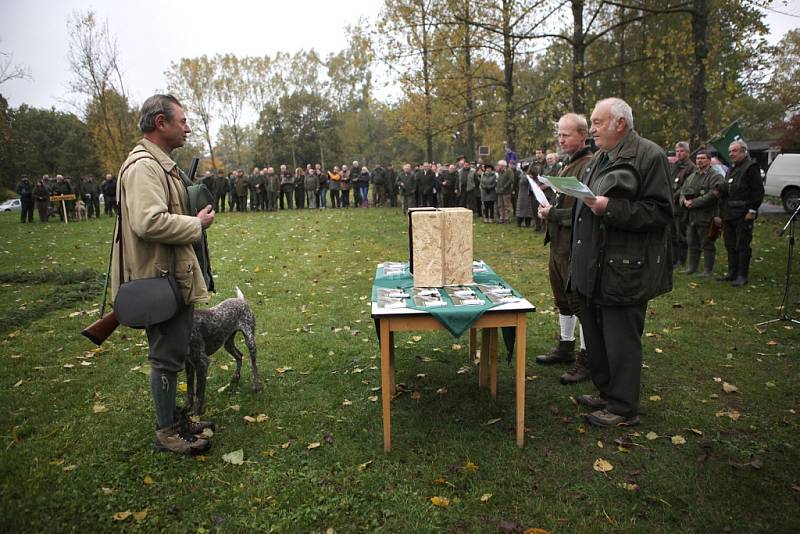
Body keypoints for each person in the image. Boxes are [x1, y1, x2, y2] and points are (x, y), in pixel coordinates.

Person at [111, 94, 215, 455]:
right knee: (166, 357)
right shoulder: (144, 166)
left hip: (171, 275)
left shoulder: (160, 164)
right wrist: (196, 224)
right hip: (159, 278)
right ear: (161, 123)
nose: (188, 127)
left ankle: (175, 417)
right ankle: (167, 432)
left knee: (174, 351)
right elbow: (148, 222)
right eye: (182, 121)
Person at [570, 97, 672, 427]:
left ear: (620, 124)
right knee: (596, 332)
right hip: (593, 265)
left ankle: (623, 407)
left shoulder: (649, 155)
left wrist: (609, 208)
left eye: (598, 123)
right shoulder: (600, 157)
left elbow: (660, 212)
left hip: (624, 268)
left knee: (621, 338)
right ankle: (605, 390)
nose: (592, 129)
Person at [536, 113, 593, 384]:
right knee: (562, 298)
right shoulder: (566, 164)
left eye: (566, 134)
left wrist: (553, 215)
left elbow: (585, 213)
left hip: (574, 245)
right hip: (558, 244)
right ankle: (565, 347)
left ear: (583, 135)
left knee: (579, 301)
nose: (561, 139)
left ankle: (586, 358)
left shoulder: (588, 165)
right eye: (559, 134)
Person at [718, 140, 764, 286]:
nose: (731, 154)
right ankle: (732, 272)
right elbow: (727, 190)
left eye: (735, 151)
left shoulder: (751, 167)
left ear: (744, 151)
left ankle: (742, 275)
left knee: (742, 245)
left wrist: (752, 210)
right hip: (729, 213)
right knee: (730, 244)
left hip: (743, 213)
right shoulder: (732, 168)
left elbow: (758, 191)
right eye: (730, 151)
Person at [680, 150, 724, 276]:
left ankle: (707, 270)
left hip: (706, 215)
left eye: (703, 158)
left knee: (707, 243)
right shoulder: (692, 176)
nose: (699, 160)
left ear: (709, 160)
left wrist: (694, 202)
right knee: (692, 242)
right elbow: (683, 191)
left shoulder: (715, 176)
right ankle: (692, 267)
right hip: (691, 216)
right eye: (698, 158)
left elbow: (713, 195)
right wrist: (683, 201)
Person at [670, 141, 696, 268]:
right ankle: (673, 258)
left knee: (681, 233)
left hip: (681, 205)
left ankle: (682, 259)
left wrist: (674, 196)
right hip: (671, 205)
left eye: (681, 151)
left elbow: (687, 186)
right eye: (677, 151)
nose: (679, 153)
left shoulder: (691, 167)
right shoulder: (675, 165)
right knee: (672, 234)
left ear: (687, 152)